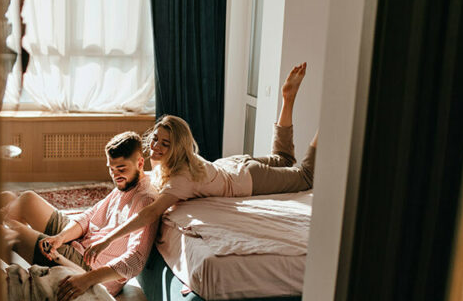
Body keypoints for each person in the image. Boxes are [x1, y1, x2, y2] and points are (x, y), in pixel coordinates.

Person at [84, 62, 317, 265]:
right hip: (234, 165)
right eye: (155, 138)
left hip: (248, 179)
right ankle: (288, 99)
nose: (155, 146)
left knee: (307, 177)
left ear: (176, 148)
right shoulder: (168, 161)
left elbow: (152, 212)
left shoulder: (181, 178)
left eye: (165, 143)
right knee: (285, 160)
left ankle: (330, 119)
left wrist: (107, 240)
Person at [1, 131, 157, 301]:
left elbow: (136, 259)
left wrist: (87, 279)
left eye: (121, 169)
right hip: (82, 241)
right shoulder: (126, 182)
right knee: (26, 199)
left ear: (140, 163)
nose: (115, 175)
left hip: (87, 269)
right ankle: (27, 270)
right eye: (111, 169)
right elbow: (89, 216)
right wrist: (60, 238)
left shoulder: (146, 200)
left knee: (12, 232)